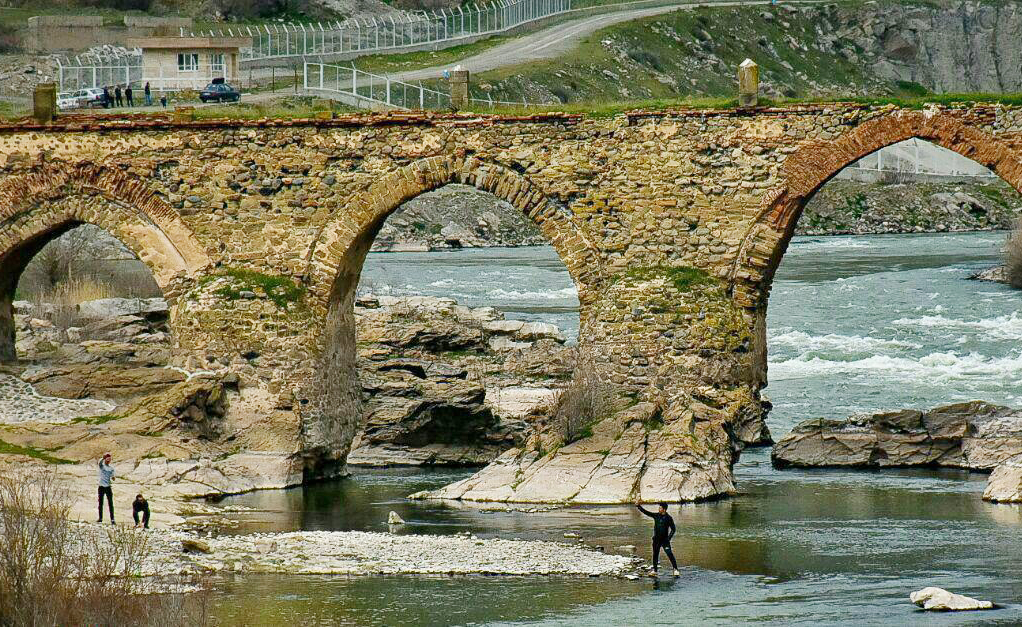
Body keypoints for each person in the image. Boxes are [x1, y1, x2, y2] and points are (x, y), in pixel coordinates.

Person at [636, 501, 679, 577]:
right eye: (659, 507)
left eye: (660, 508)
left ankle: (675, 569)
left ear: (664, 509)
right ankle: (655, 571)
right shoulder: (656, 516)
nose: (659, 509)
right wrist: (639, 506)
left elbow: (673, 529)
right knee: (655, 555)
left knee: (669, 554)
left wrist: (668, 539)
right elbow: (646, 512)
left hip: (665, 540)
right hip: (656, 540)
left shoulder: (669, 518)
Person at [97, 453, 115, 524]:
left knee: (110, 503)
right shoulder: (102, 466)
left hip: (108, 487)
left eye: (109, 459)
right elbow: (99, 463)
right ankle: (100, 518)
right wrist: (103, 458)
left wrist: (113, 478)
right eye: (107, 459)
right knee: (100, 503)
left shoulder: (111, 468)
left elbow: (113, 476)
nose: (108, 461)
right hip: (101, 486)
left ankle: (112, 519)